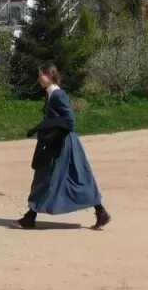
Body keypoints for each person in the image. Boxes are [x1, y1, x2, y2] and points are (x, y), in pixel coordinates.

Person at [18, 63, 111, 230]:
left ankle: (30, 217)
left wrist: (51, 132)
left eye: (41, 75)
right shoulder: (51, 94)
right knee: (71, 177)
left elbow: (70, 120)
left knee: (47, 177)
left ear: (50, 75)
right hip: (61, 142)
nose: (39, 78)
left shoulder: (58, 95)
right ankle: (101, 212)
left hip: (62, 143)